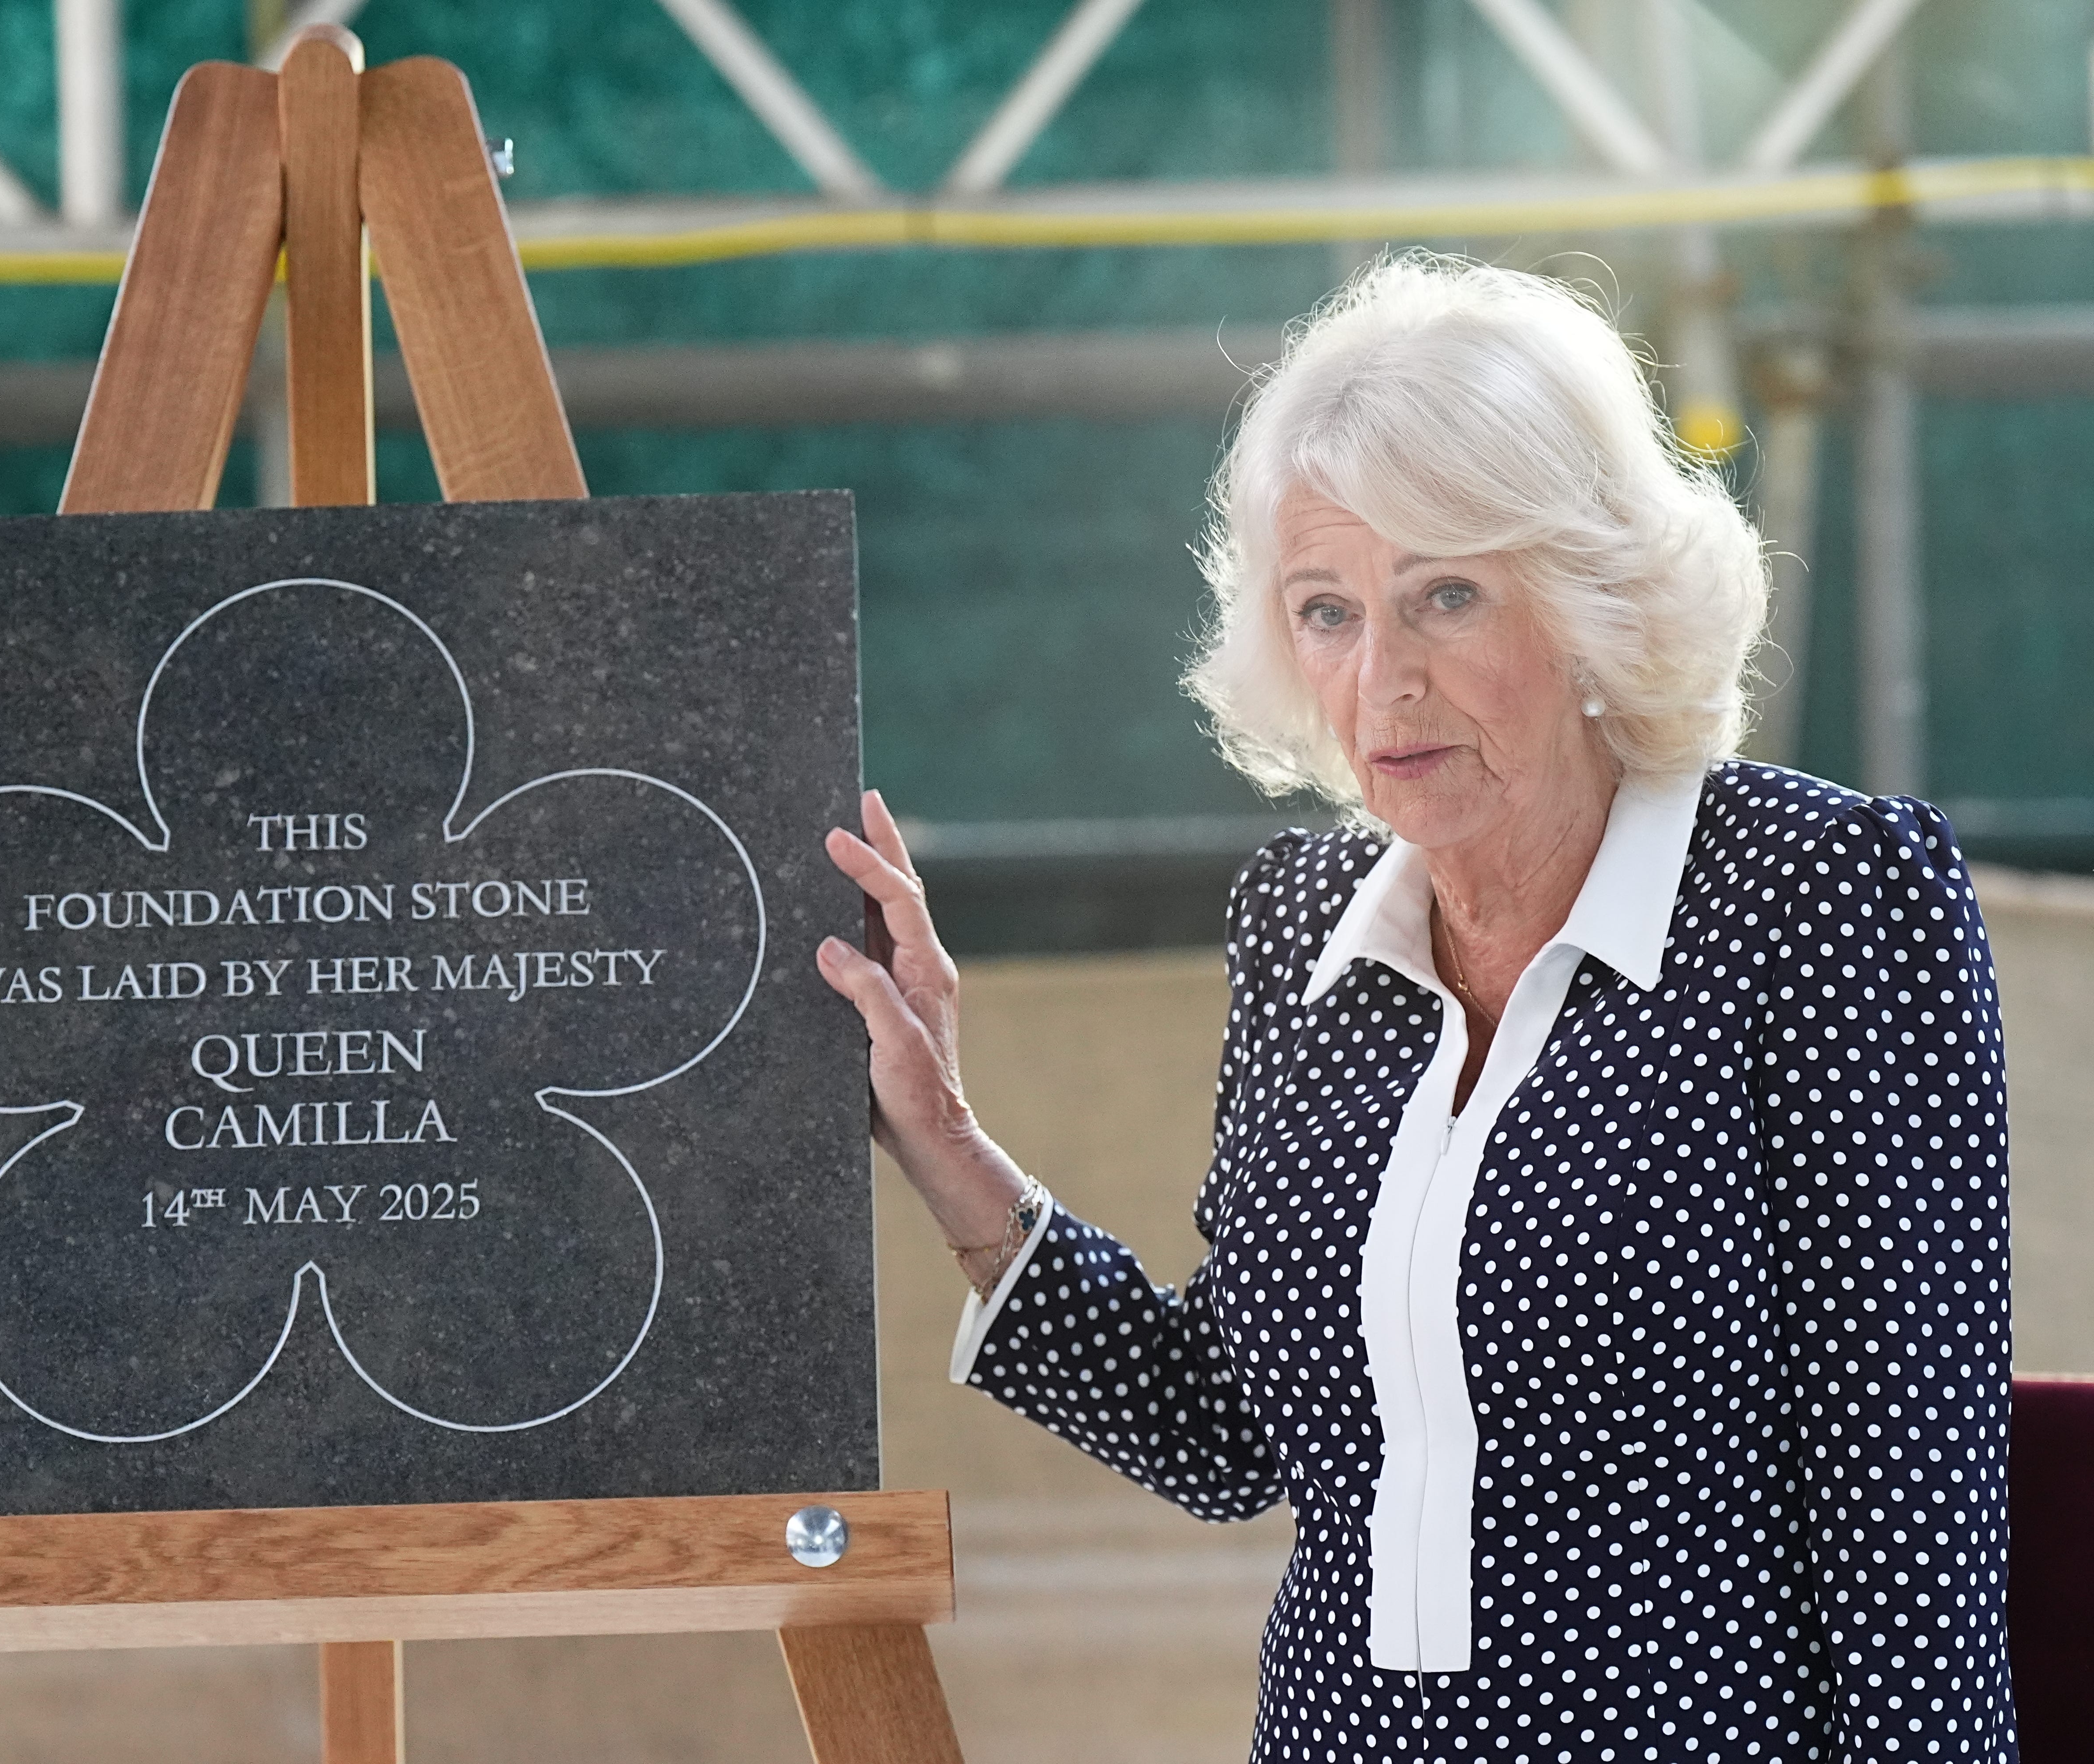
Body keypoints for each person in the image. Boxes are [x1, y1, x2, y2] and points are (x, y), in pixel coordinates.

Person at [818, 254, 2013, 1762]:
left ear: (1589, 603)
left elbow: (1912, 1523)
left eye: (1446, 595)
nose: (1384, 681)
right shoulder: (1298, 926)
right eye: (1328, 612)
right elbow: (1224, 1433)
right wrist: (940, 1135)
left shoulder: (1818, 895)